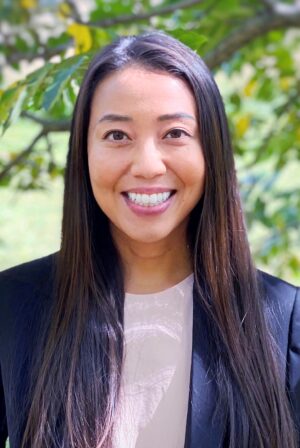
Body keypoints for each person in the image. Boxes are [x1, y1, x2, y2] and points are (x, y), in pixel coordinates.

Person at [0, 31, 299, 448]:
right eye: (117, 136)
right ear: (83, 153)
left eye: (174, 133)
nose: (147, 165)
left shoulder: (284, 321)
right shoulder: (13, 307)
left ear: (210, 150)